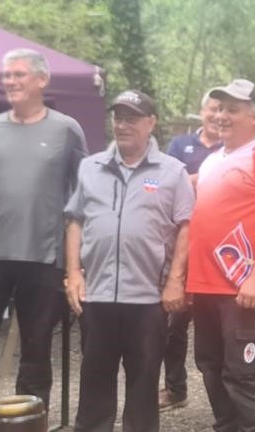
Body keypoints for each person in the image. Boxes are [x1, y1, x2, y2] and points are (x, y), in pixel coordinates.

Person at [0, 48, 88, 432]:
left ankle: (29, 426)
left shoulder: (66, 130)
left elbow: (83, 196)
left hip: (44, 258)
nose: (10, 81)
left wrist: (77, 265)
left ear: (42, 80)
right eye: (6, 75)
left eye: (19, 74)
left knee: (36, 354)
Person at [65, 89, 195, 432]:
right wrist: (74, 273)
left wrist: (175, 281)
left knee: (143, 382)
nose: (122, 125)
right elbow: (75, 221)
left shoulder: (173, 172)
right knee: (94, 380)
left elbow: (186, 227)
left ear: (151, 123)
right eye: (118, 118)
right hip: (97, 295)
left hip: (148, 298)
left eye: (132, 119)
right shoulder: (90, 167)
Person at [183, 78, 255, 432]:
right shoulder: (212, 161)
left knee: (242, 376)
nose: (221, 116)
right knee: (211, 368)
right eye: (219, 109)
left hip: (242, 288)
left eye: (232, 110)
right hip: (204, 286)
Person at [159, 91, 221, 412]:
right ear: (202, 111)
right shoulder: (179, 144)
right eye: (212, 108)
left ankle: (225, 395)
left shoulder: (232, 148)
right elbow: (165, 183)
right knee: (174, 322)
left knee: (219, 325)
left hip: (218, 249)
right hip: (182, 245)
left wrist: (191, 179)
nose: (217, 115)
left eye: (222, 109)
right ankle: (175, 389)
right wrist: (204, 178)